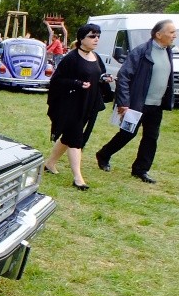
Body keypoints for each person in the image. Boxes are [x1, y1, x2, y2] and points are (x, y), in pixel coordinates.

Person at [95, 19, 176, 184]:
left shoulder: (167, 51)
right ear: (158, 34)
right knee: (127, 134)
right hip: (138, 103)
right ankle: (103, 154)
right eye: (172, 32)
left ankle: (141, 169)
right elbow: (124, 77)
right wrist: (124, 103)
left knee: (151, 137)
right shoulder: (141, 52)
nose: (175, 35)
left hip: (156, 105)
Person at [43, 24, 111, 190]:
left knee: (68, 137)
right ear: (82, 39)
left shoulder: (96, 57)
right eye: (92, 36)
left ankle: (50, 163)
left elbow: (99, 74)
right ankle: (78, 178)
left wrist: (104, 79)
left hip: (90, 103)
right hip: (72, 104)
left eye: (98, 36)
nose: (96, 39)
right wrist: (77, 83)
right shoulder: (71, 58)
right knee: (75, 139)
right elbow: (56, 81)